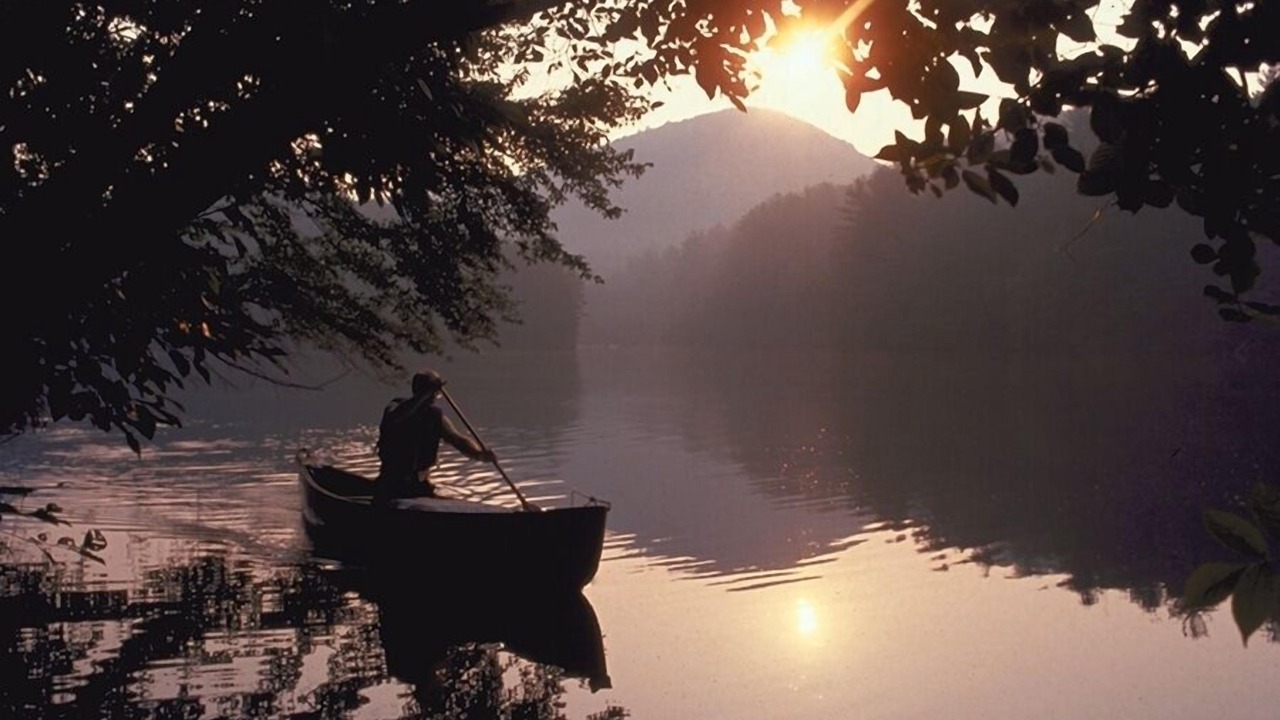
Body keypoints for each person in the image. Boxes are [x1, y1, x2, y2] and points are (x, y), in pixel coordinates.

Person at [374, 368, 496, 504]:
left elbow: (457, 439)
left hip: (419, 485)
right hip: (392, 484)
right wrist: (423, 395)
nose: (435, 396)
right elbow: (396, 417)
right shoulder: (396, 406)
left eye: (435, 392)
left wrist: (479, 454)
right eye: (433, 391)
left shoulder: (434, 416)